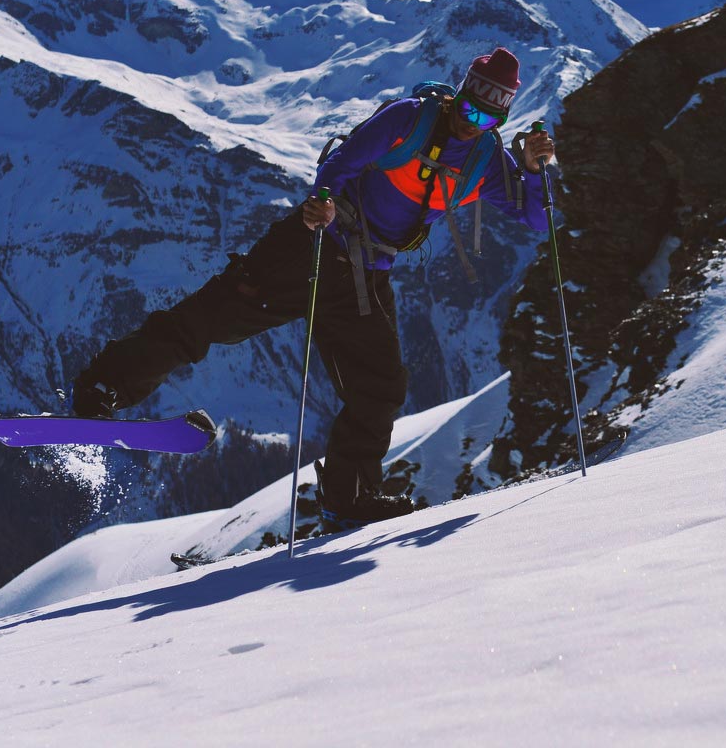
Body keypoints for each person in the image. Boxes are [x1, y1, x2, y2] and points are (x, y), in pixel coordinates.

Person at [71, 48, 555, 530]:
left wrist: (533, 170)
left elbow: (535, 217)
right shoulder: (408, 119)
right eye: (470, 108)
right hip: (311, 249)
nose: (473, 123)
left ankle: (349, 500)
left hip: (365, 277)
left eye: (488, 118)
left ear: (502, 118)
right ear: (461, 93)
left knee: (380, 387)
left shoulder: (487, 159)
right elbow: (342, 162)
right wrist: (321, 202)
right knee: (209, 320)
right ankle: (103, 388)